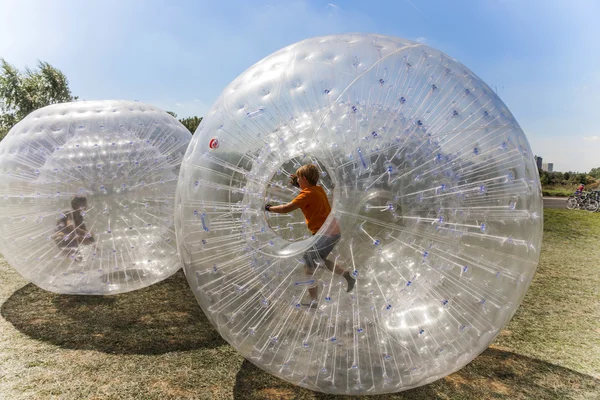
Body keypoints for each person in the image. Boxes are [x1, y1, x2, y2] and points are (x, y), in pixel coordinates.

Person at [265, 164, 355, 307]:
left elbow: (286, 209)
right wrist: (298, 183)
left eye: (299, 178)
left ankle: (314, 301)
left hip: (325, 234)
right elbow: (308, 191)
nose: (297, 181)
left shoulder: (306, 194)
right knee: (319, 260)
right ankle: (347, 276)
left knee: (308, 264)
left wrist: (268, 208)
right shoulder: (318, 190)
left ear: (304, 179)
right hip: (332, 232)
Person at [53, 196, 95, 260]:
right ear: (75, 205)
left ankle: (61, 238)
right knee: (76, 258)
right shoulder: (70, 213)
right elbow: (70, 225)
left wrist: (93, 242)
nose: (86, 205)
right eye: (84, 204)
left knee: (77, 259)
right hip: (64, 236)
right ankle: (59, 235)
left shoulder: (80, 217)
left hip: (70, 239)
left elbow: (85, 230)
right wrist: (83, 232)